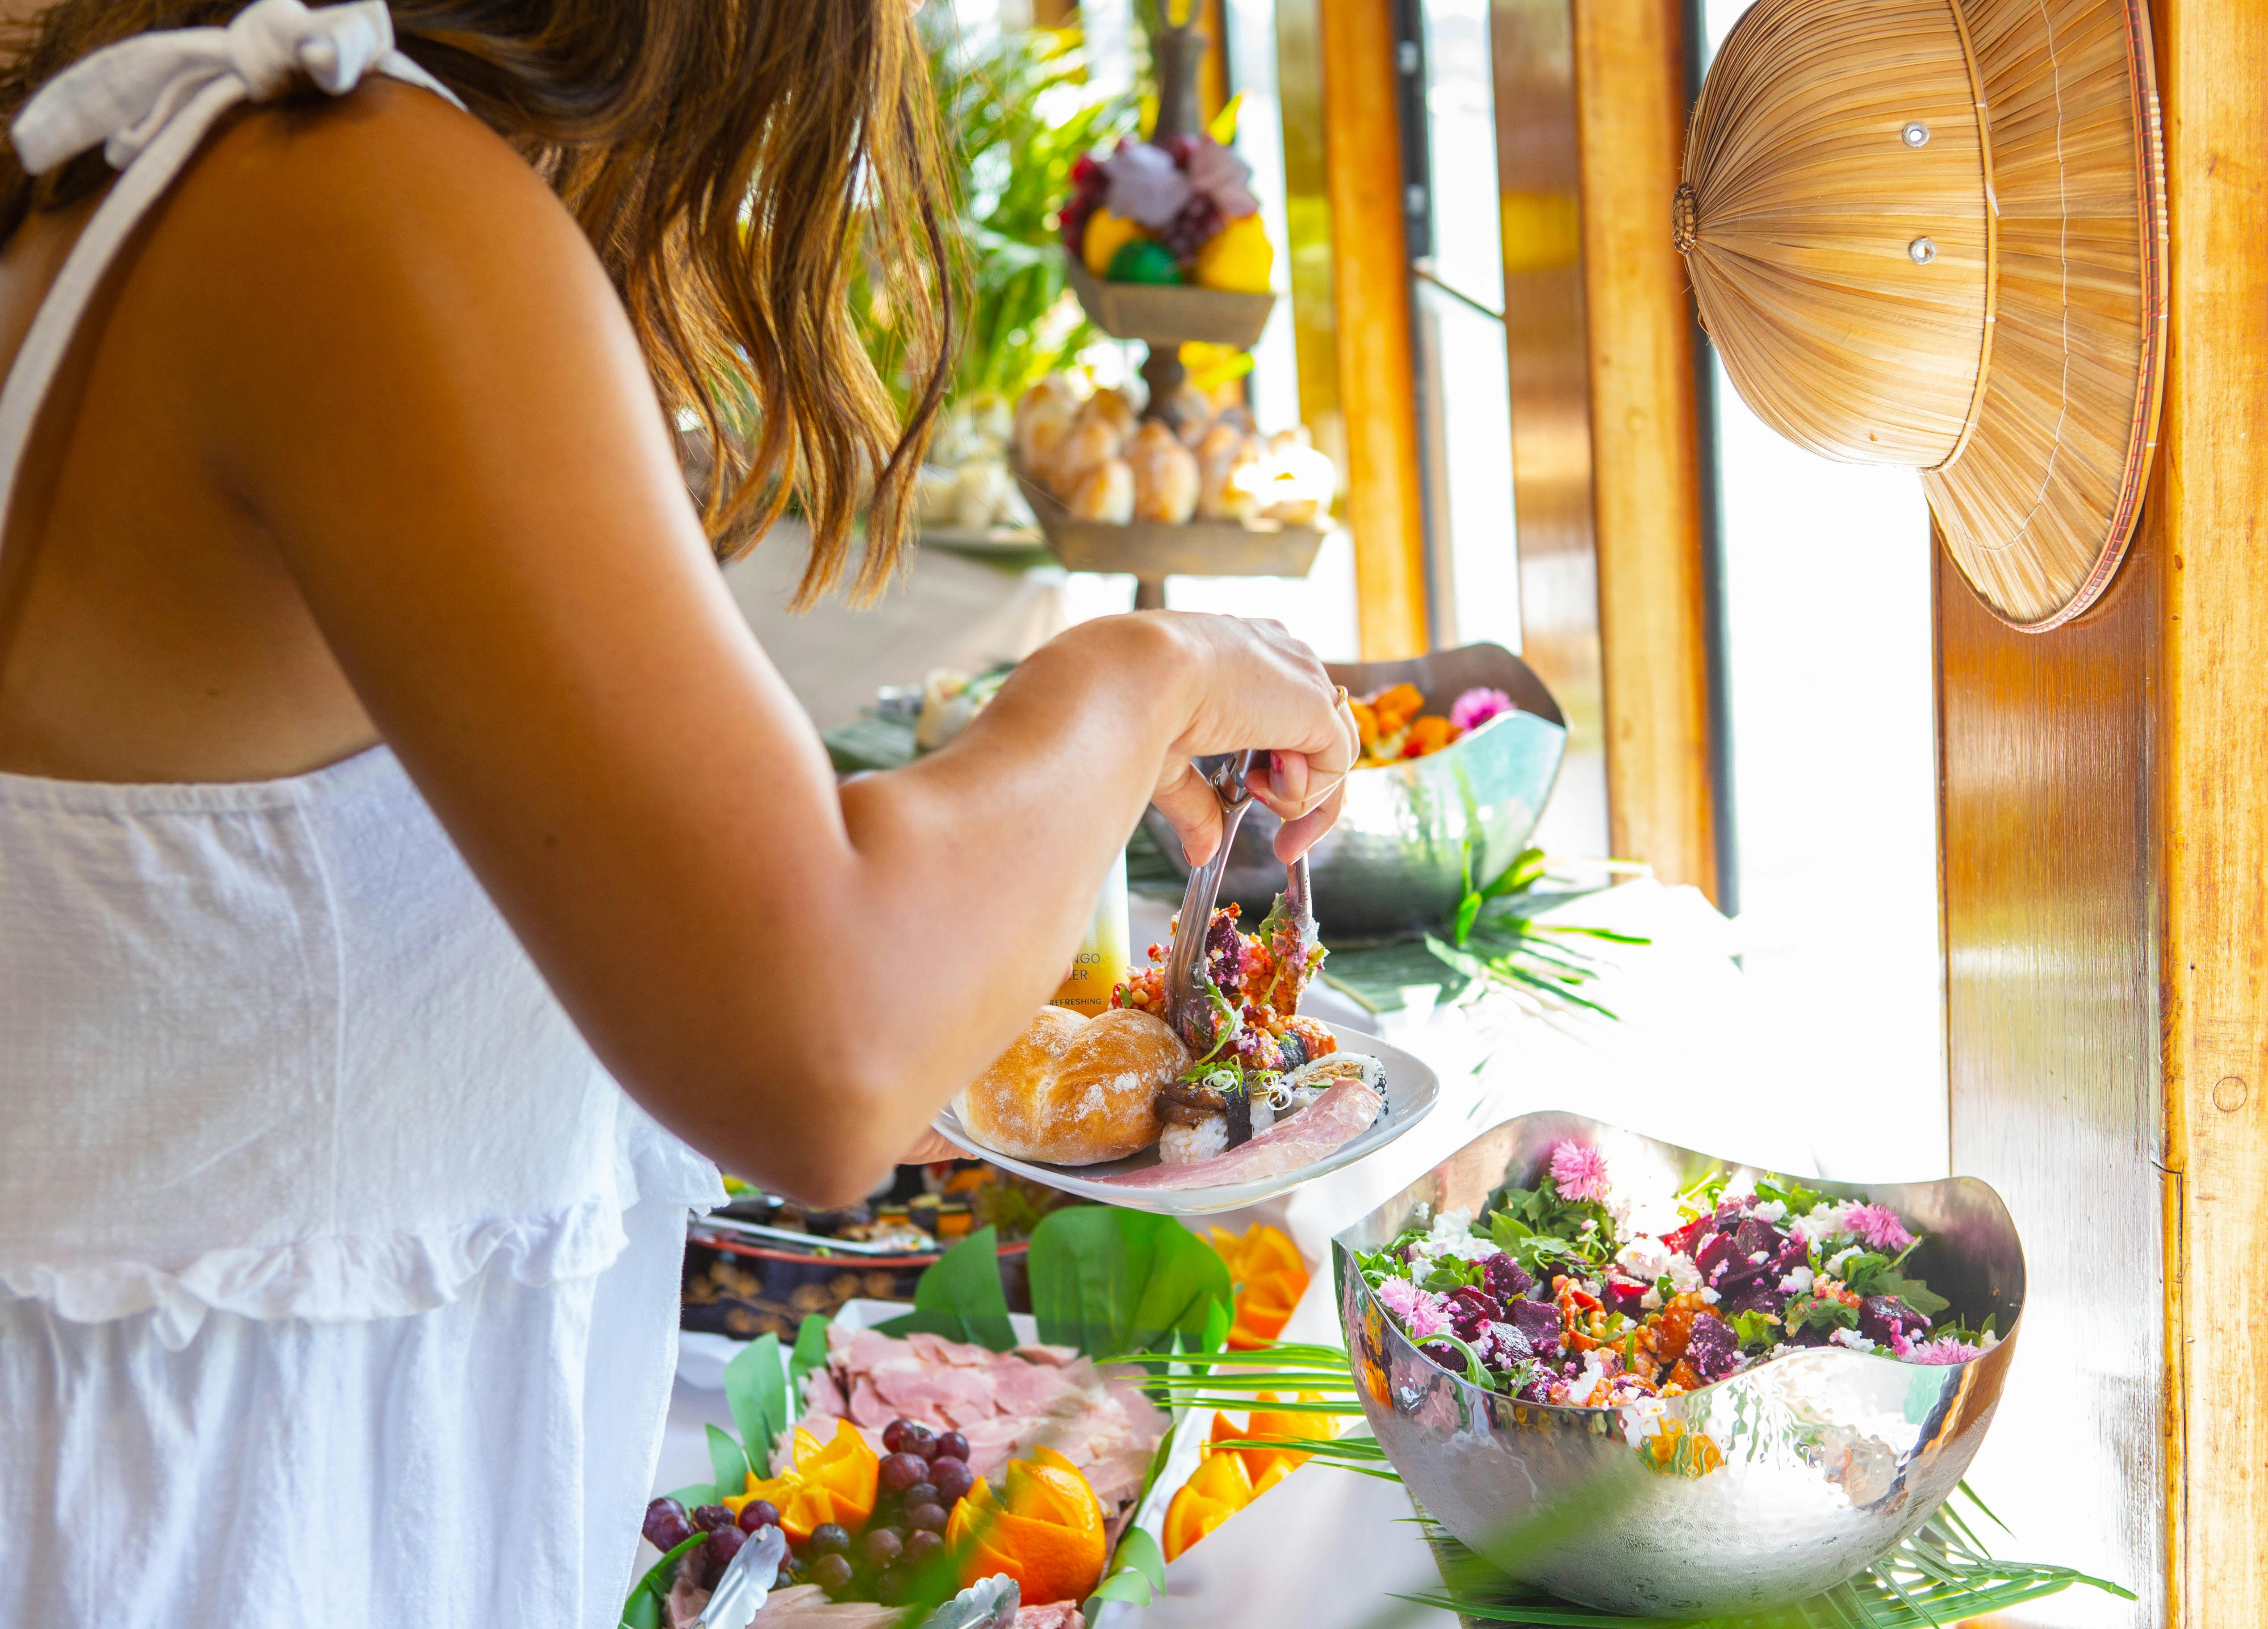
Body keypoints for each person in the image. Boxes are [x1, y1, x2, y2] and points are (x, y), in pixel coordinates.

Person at [0, 1, 1357, 1622]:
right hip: (208, 1534)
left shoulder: (201, 166)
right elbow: (823, 1057)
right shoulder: (355, 201)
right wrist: (1147, 677)